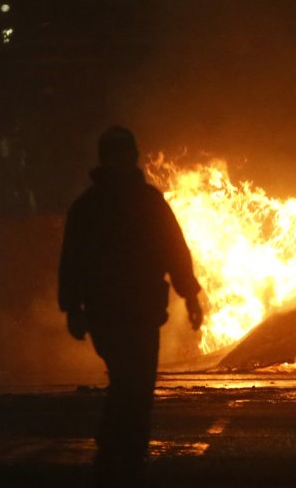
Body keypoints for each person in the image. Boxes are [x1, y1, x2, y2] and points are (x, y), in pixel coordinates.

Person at [58, 126, 204, 486]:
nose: (120, 161)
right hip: (107, 314)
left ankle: (124, 450)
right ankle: (116, 449)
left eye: (124, 154)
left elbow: (175, 252)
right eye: (114, 154)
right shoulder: (88, 208)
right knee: (129, 381)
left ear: (132, 157)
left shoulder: (149, 203)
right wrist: (72, 309)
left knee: (138, 385)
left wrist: (190, 296)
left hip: (142, 313)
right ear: (105, 159)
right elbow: (72, 262)